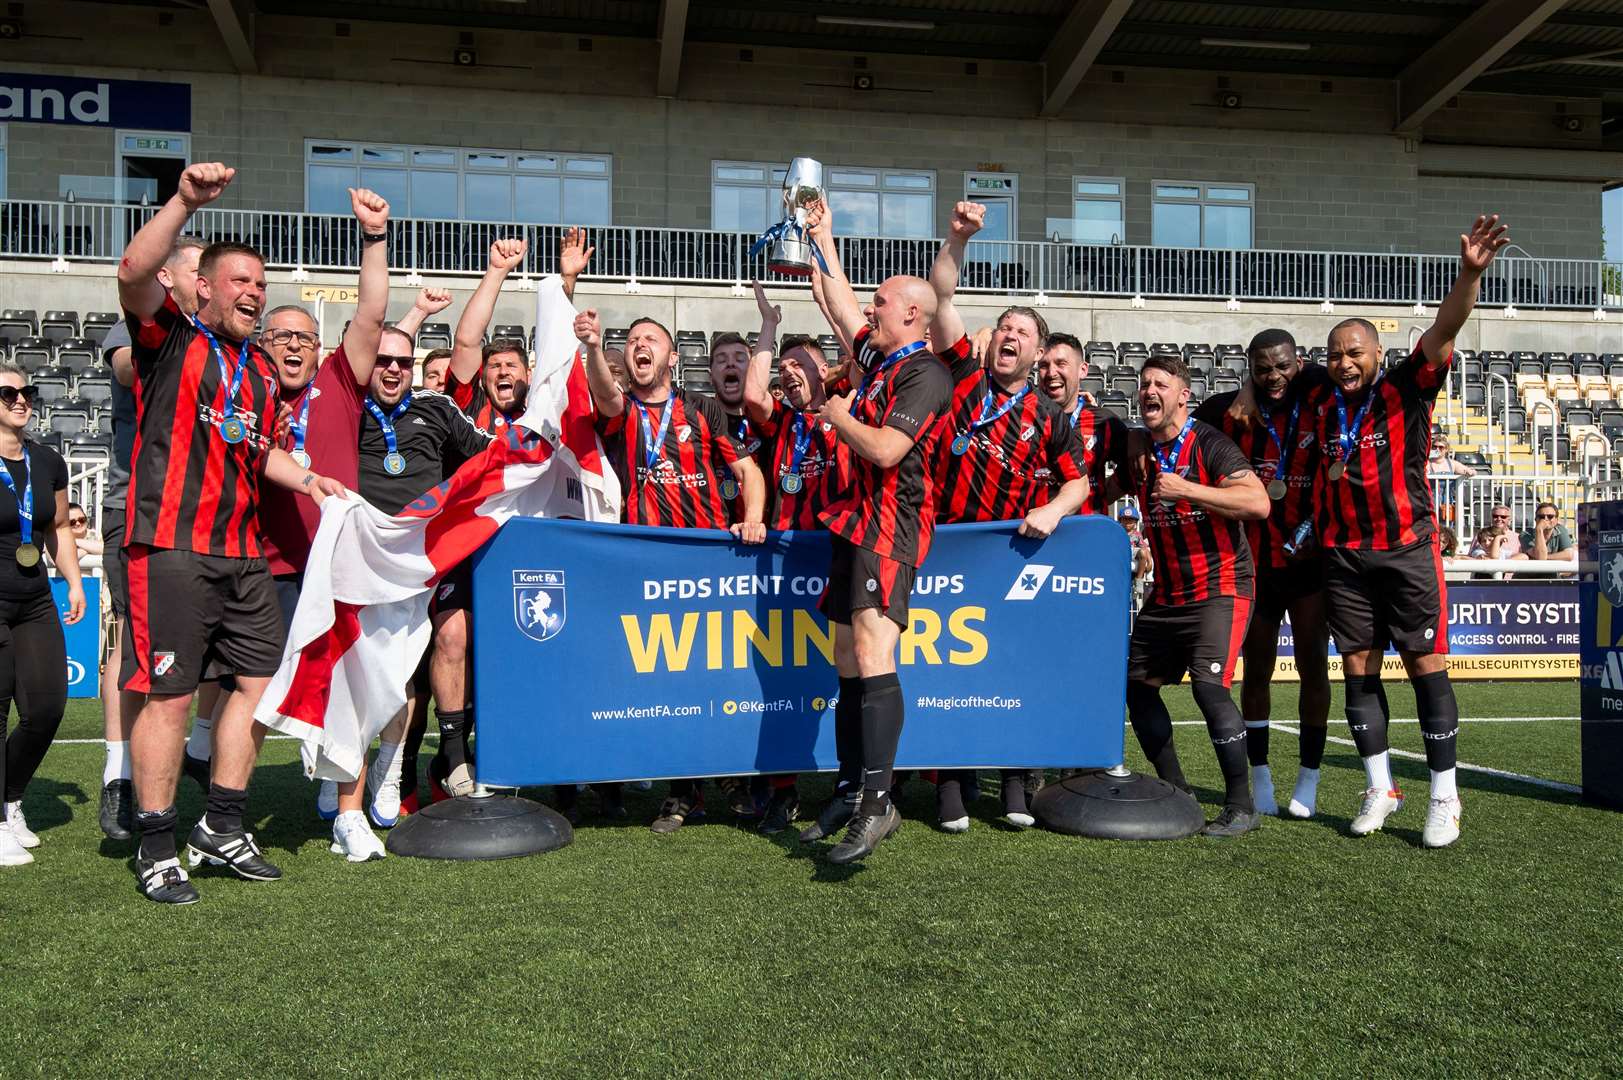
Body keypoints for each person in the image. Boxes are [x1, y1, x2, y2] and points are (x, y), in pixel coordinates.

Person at [116, 161, 345, 904]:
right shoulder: (169, 340)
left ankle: (221, 826)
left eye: (261, 284)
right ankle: (156, 843)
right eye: (240, 281)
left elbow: (259, 449)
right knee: (173, 698)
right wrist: (183, 200)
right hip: (173, 547)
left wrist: (309, 478)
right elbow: (131, 269)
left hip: (242, 555)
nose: (254, 292)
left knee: (258, 686)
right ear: (202, 287)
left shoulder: (254, 370)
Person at [1312, 213, 1509, 849]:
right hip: (1344, 556)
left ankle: (1445, 798)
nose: (1344, 362)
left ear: (1378, 354)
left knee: (1427, 668)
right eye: (1336, 353)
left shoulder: (1407, 388)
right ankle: (1380, 787)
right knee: (1358, 673)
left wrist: (1469, 275)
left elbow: (1444, 328)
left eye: (1355, 352)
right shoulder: (1321, 404)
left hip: (1405, 550)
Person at [793, 197, 954, 864]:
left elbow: (887, 450)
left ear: (911, 313)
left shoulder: (925, 372)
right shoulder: (882, 360)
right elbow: (836, 305)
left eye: (882, 301)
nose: (871, 309)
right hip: (851, 522)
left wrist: (835, 415)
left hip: (889, 526)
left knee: (872, 653)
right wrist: (822, 238)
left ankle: (878, 803)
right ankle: (850, 786)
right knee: (846, 662)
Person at [925, 202, 1092, 833]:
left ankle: (1015, 784)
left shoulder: (1052, 419)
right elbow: (941, 295)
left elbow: (1077, 484)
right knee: (945, 666)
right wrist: (957, 239)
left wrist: (1051, 508)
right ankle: (950, 787)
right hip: (946, 547)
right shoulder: (962, 374)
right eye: (1003, 328)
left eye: (1022, 333)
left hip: (1012, 553)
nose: (1009, 338)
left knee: (1010, 665)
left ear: (1038, 351)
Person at [576, 308, 767, 832]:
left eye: (651, 340)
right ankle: (684, 794)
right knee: (664, 681)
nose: (640, 346)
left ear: (672, 357)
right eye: (633, 340)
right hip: (647, 566)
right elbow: (607, 395)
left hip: (705, 565)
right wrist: (595, 346)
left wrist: (752, 520)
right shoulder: (622, 414)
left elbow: (747, 471)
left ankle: (731, 779)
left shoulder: (702, 412)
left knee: (712, 678)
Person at [1126, 353, 1272, 837]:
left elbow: (1257, 502)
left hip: (1221, 587)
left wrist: (1189, 491)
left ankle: (1241, 805)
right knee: (1135, 685)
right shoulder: (1142, 449)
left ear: (1183, 395)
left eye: (1160, 384)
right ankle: (1176, 792)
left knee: (1211, 690)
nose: (1149, 391)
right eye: (1144, 383)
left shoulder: (1209, 443)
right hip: (1168, 592)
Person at [1195, 328, 1334, 818]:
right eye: (1262, 369)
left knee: (1315, 664)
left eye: (1282, 366)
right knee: (1256, 669)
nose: (1274, 377)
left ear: (1298, 362)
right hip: (1254, 563)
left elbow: (1324, 370)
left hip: (1310, 562)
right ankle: (1260, 775)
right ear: (1248, 368)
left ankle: (1309, 776)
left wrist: (1254, 387)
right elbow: (1182, 422)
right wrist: (1243, 392)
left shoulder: (1318, 393)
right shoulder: (1229, 412)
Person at [97, 234, 205, 842]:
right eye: (197, 270)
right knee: (138, 652)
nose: (208, 281)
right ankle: (119, 777)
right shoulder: (141, 328)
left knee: (193, 657)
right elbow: (128, 369)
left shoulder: (218, 341)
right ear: (168, 279)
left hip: (202, 519)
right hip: (136, 510)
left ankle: (184, 763)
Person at [361, 326, 496, 806]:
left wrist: (541, 443)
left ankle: (449, 761)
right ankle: (369, 770)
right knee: (383, 670)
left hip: (431, 554)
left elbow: (490, 454)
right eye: (383, 360)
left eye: (402, 360)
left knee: (450, 640)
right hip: (368, 558)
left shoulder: (437, 407)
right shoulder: (348, 408)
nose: (394, 368)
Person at [740, 283, 854, 834]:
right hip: (786, 568)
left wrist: (832, 326)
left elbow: (859, 355)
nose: (788, 372)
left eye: (799, 365)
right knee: (785, 679)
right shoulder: (782, 423)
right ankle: (783, 794)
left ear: (824, 371)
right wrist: (769, 327)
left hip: (835, 557)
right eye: (783, 365)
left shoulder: (846, 407)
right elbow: (755, 391)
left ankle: (850, 784)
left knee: (845, 675)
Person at [0, 366, 86, 866]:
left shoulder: (47, 460)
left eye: (26, 392)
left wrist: (73, 581)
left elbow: (56, 527)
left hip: (34, 598)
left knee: (47, 708)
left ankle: (10, 797)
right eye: (8, 393)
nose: (20, 400)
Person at [1036, 331, 1128, 515]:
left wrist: (1099, 496)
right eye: (1044, 365)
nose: (1051, 372)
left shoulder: (1104, 422)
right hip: (1033, 535)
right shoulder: (1025, 416)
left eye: (1061, 364)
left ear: (1082, 370)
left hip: (1087, 537)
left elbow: (1132, 469)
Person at [1518, 501, 1577, 569]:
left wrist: (1544, 557)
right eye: (1541, 517)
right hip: (1530, 577)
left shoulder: (1561, 530)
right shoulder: (1525, 534)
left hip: (1551, 576)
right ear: (1536, 519)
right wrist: (1539, 530)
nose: (1545, 519)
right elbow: (1541, 557)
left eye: (1550, 516)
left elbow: (1568, 555)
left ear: (1556, 520)